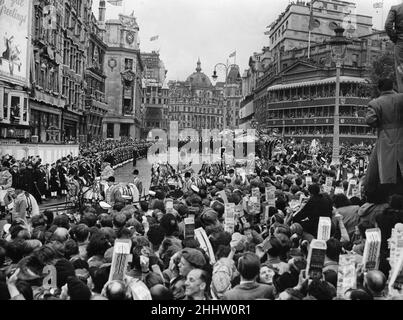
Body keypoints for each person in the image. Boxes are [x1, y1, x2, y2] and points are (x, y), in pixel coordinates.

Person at [365, 78, 403, 199]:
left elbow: (370, 120)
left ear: (379, 88)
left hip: (386, 139)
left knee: (375, 172)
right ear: (393, 86)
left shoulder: (375, 103)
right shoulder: (401, 98)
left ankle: (371, 193)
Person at [385, 3, 403, 93]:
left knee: (401, 71)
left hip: (400, 43)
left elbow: (388, 25)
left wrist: (395, 38)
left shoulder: (395, 8)